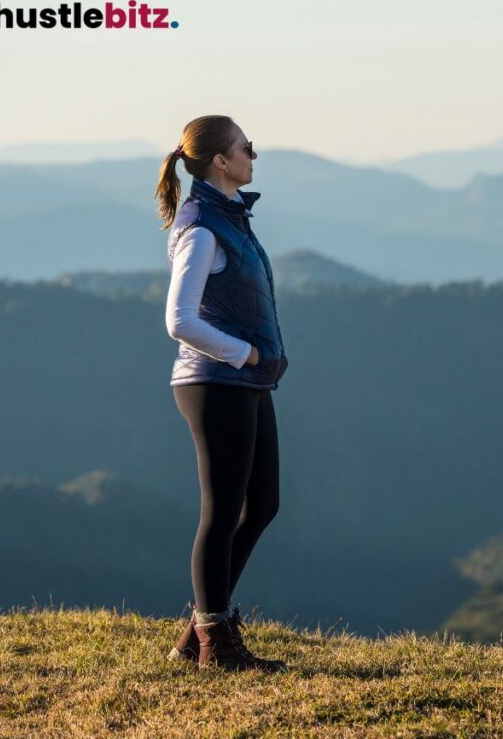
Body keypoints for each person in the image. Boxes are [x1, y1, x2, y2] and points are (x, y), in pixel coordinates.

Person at [153, 114, 289, 673]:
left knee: (263, 504)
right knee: (223, 510)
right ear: (220, 161)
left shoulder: (227, 216)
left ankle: (200, 631)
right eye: (246, 147)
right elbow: (178, 319)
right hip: (215, 382)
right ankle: (216, 644)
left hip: (244, 382)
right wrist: (246, 353)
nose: (253, 155)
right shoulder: (204, 226)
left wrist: (254, 364)